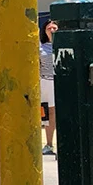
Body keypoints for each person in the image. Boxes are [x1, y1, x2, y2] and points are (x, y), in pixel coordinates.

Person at [40, 19, 58, 156]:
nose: (51, 31)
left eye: (54, 28)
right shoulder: (40, 47)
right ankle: (49, 144)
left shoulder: (65, 44)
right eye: (49, 28)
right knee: (48, 113)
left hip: (60, 82)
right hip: (46, 82)